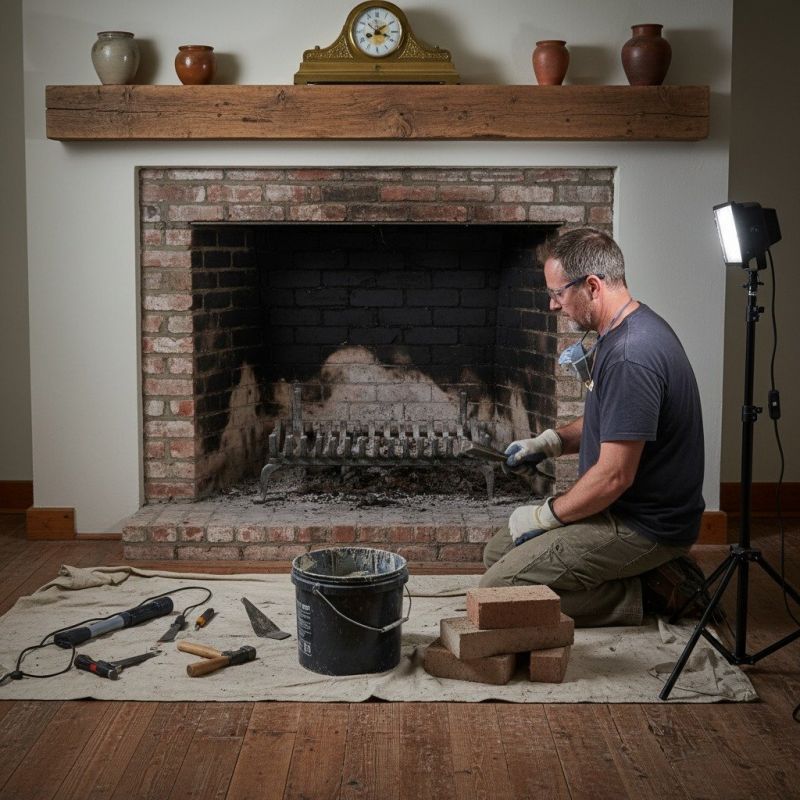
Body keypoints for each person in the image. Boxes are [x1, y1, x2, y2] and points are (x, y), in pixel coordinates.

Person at [480, 227, 707, 627]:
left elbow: (614, 476)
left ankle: (652, 593)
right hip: (618, 510)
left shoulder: (629, 356)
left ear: (592, 286)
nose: (553, 306)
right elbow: (617, 419)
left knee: (497, 593)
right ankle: (634, 576)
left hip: (642, 525)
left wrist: (545, 516)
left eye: (557, 293)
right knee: (496, 554)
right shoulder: (623, 328)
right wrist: (549, 443)